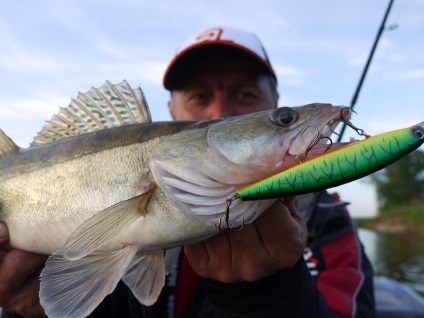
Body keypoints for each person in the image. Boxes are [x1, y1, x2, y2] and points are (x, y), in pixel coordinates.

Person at [0, 26, 375, 317]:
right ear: (173, 111)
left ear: (272, 100)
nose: (221, 113)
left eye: (246, 96)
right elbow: (77, 299)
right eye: (199, 97)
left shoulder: (328, 219)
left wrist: (271, 297)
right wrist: (27, 310)